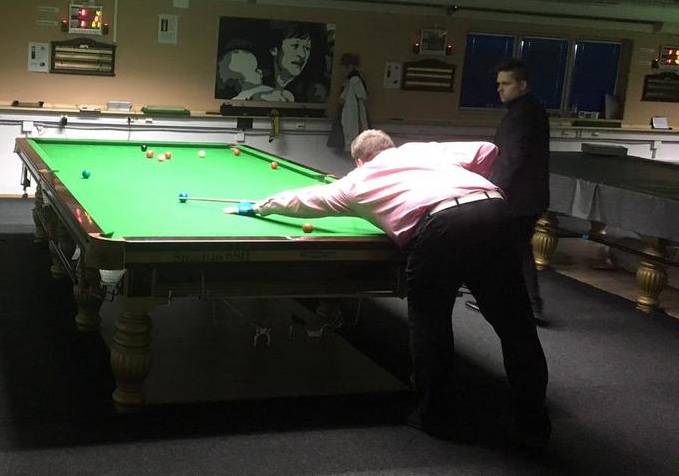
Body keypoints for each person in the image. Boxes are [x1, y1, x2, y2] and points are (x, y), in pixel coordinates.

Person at [226, 130, 550, 446]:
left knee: (431, 324)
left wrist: (258, 206)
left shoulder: (357, 181)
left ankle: (436, 415)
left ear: (359, 161)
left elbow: (302, 200)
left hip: (442, 226)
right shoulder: (421, 150)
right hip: (495, 210)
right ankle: (534, 422)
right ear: (390, 147)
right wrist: (465, 187)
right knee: (516, 326)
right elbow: (486, 150)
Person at [469, 60, 549, 325]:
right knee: (509, 249)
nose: (500, 89)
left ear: (522, 85)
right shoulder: (529, 109)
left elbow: (511, 159)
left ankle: (528, 305)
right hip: (526, 196)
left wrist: (492, 190)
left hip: (518, 198)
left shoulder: (522, 114)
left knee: (512, 249)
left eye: (506, 84)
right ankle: (516, 303)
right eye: (498, 84)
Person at [217, 47, 293, 102]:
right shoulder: (245, 96)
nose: (260, 71)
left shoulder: (260, 89)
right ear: (242, 81)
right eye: (255, 70)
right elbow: (261, 96)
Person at [328, 52, 369, 152]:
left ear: (349, 66)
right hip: (350, 113)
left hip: (352, 113)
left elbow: (360, 96)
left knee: (350, 134)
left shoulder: (354, 80)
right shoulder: (352, 80)